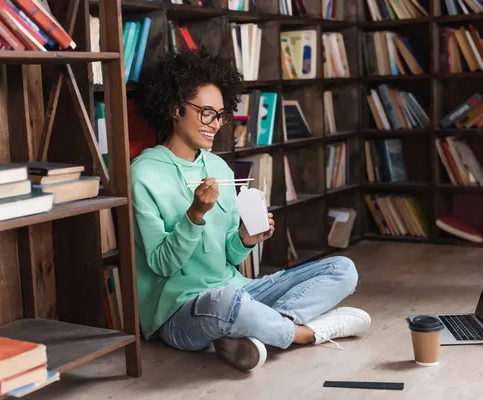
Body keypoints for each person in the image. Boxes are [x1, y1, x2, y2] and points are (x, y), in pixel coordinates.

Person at [130, 47, 371, 372]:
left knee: (343, 269)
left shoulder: (220, 169)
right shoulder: (143, 173)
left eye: (219, 114)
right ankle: (305, 333)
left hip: (238, 291)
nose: (215, 124)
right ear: (174, 109)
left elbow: (230, 260)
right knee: (229, 304)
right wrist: (195, 215)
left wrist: (244, 237)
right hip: (178, 310)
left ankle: (249, 331)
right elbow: (161, 264)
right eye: (205, 113)